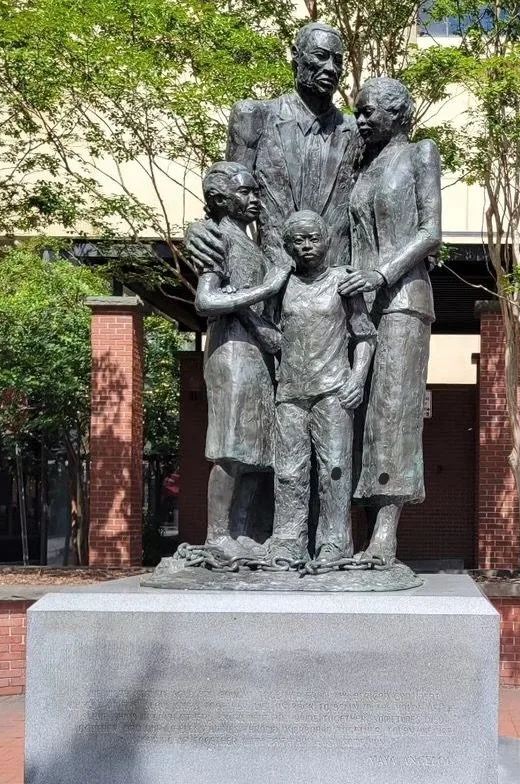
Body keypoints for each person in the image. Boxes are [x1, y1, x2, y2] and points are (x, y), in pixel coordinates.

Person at [338, 76, 442, 563]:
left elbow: (430, 231)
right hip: (359, 303)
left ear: (398, 113)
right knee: (355, 414)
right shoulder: (362, 166)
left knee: (393, 411)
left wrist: (382, 273)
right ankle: (352, 535)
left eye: (368, 111)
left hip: (403, 299)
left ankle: (385, 534)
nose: (360, 119)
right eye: (357, 112)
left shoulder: (420, 153)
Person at [187, 23, 357, 271]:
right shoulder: (255, 117)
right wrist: (200, 229)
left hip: (337, 284)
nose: (331, 68)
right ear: (296, 56)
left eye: (338, 61)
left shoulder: (355, 131)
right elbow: (230, 201)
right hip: (274, 279)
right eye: (320, 56)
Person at [266, 211, 376, 564]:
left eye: (313, 238)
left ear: (326, 240)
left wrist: (358, 379)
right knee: (288, 471)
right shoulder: (280, 284)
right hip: (291, 393)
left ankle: (334, 544)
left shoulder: (342, 282)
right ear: (288, 247)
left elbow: (365, 337)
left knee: (335, 470)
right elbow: (268, 334)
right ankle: (287, 540)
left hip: (333, 391)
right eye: (298, 241)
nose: (307, 246)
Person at [192, 161, 284, 554]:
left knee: (256, 452)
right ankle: (217, 536)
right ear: (219, 199)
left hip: (257, 354)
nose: (254, 200)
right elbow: (206, 300)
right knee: (230, 450)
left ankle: (243, 533)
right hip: (230, 353)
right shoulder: (217, 238)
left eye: (255, 192)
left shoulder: (251, 244)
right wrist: (268, 288)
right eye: (245, 192)